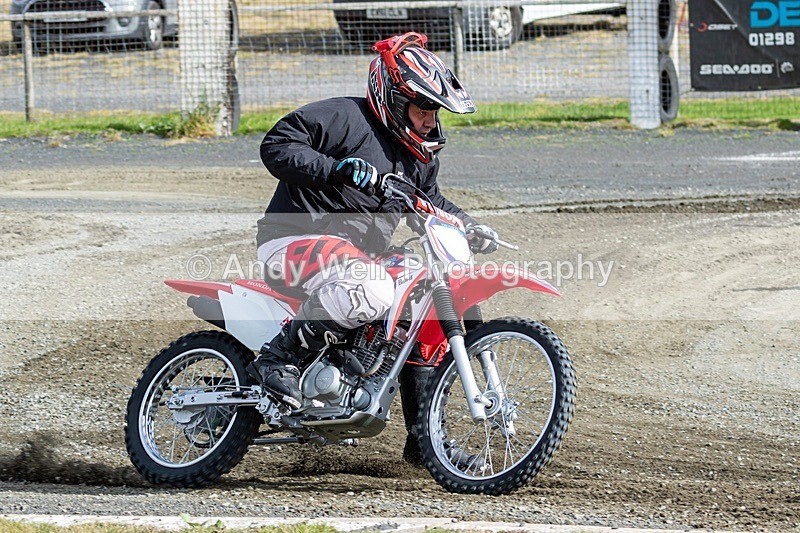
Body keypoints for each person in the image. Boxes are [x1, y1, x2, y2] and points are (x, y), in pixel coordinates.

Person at [249, 32, 499, 466]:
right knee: (375, 288)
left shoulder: (420, 157)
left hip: (361, 257)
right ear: (395, 99)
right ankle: (277, 359)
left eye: (433, 111)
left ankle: (425, 439)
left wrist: (470, 226)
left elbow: (430, 203)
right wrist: (335, 169)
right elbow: (275, 146)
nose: (428, 120)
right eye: (422, 108)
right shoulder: (342, 117)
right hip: (294, 238)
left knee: (425, 304)